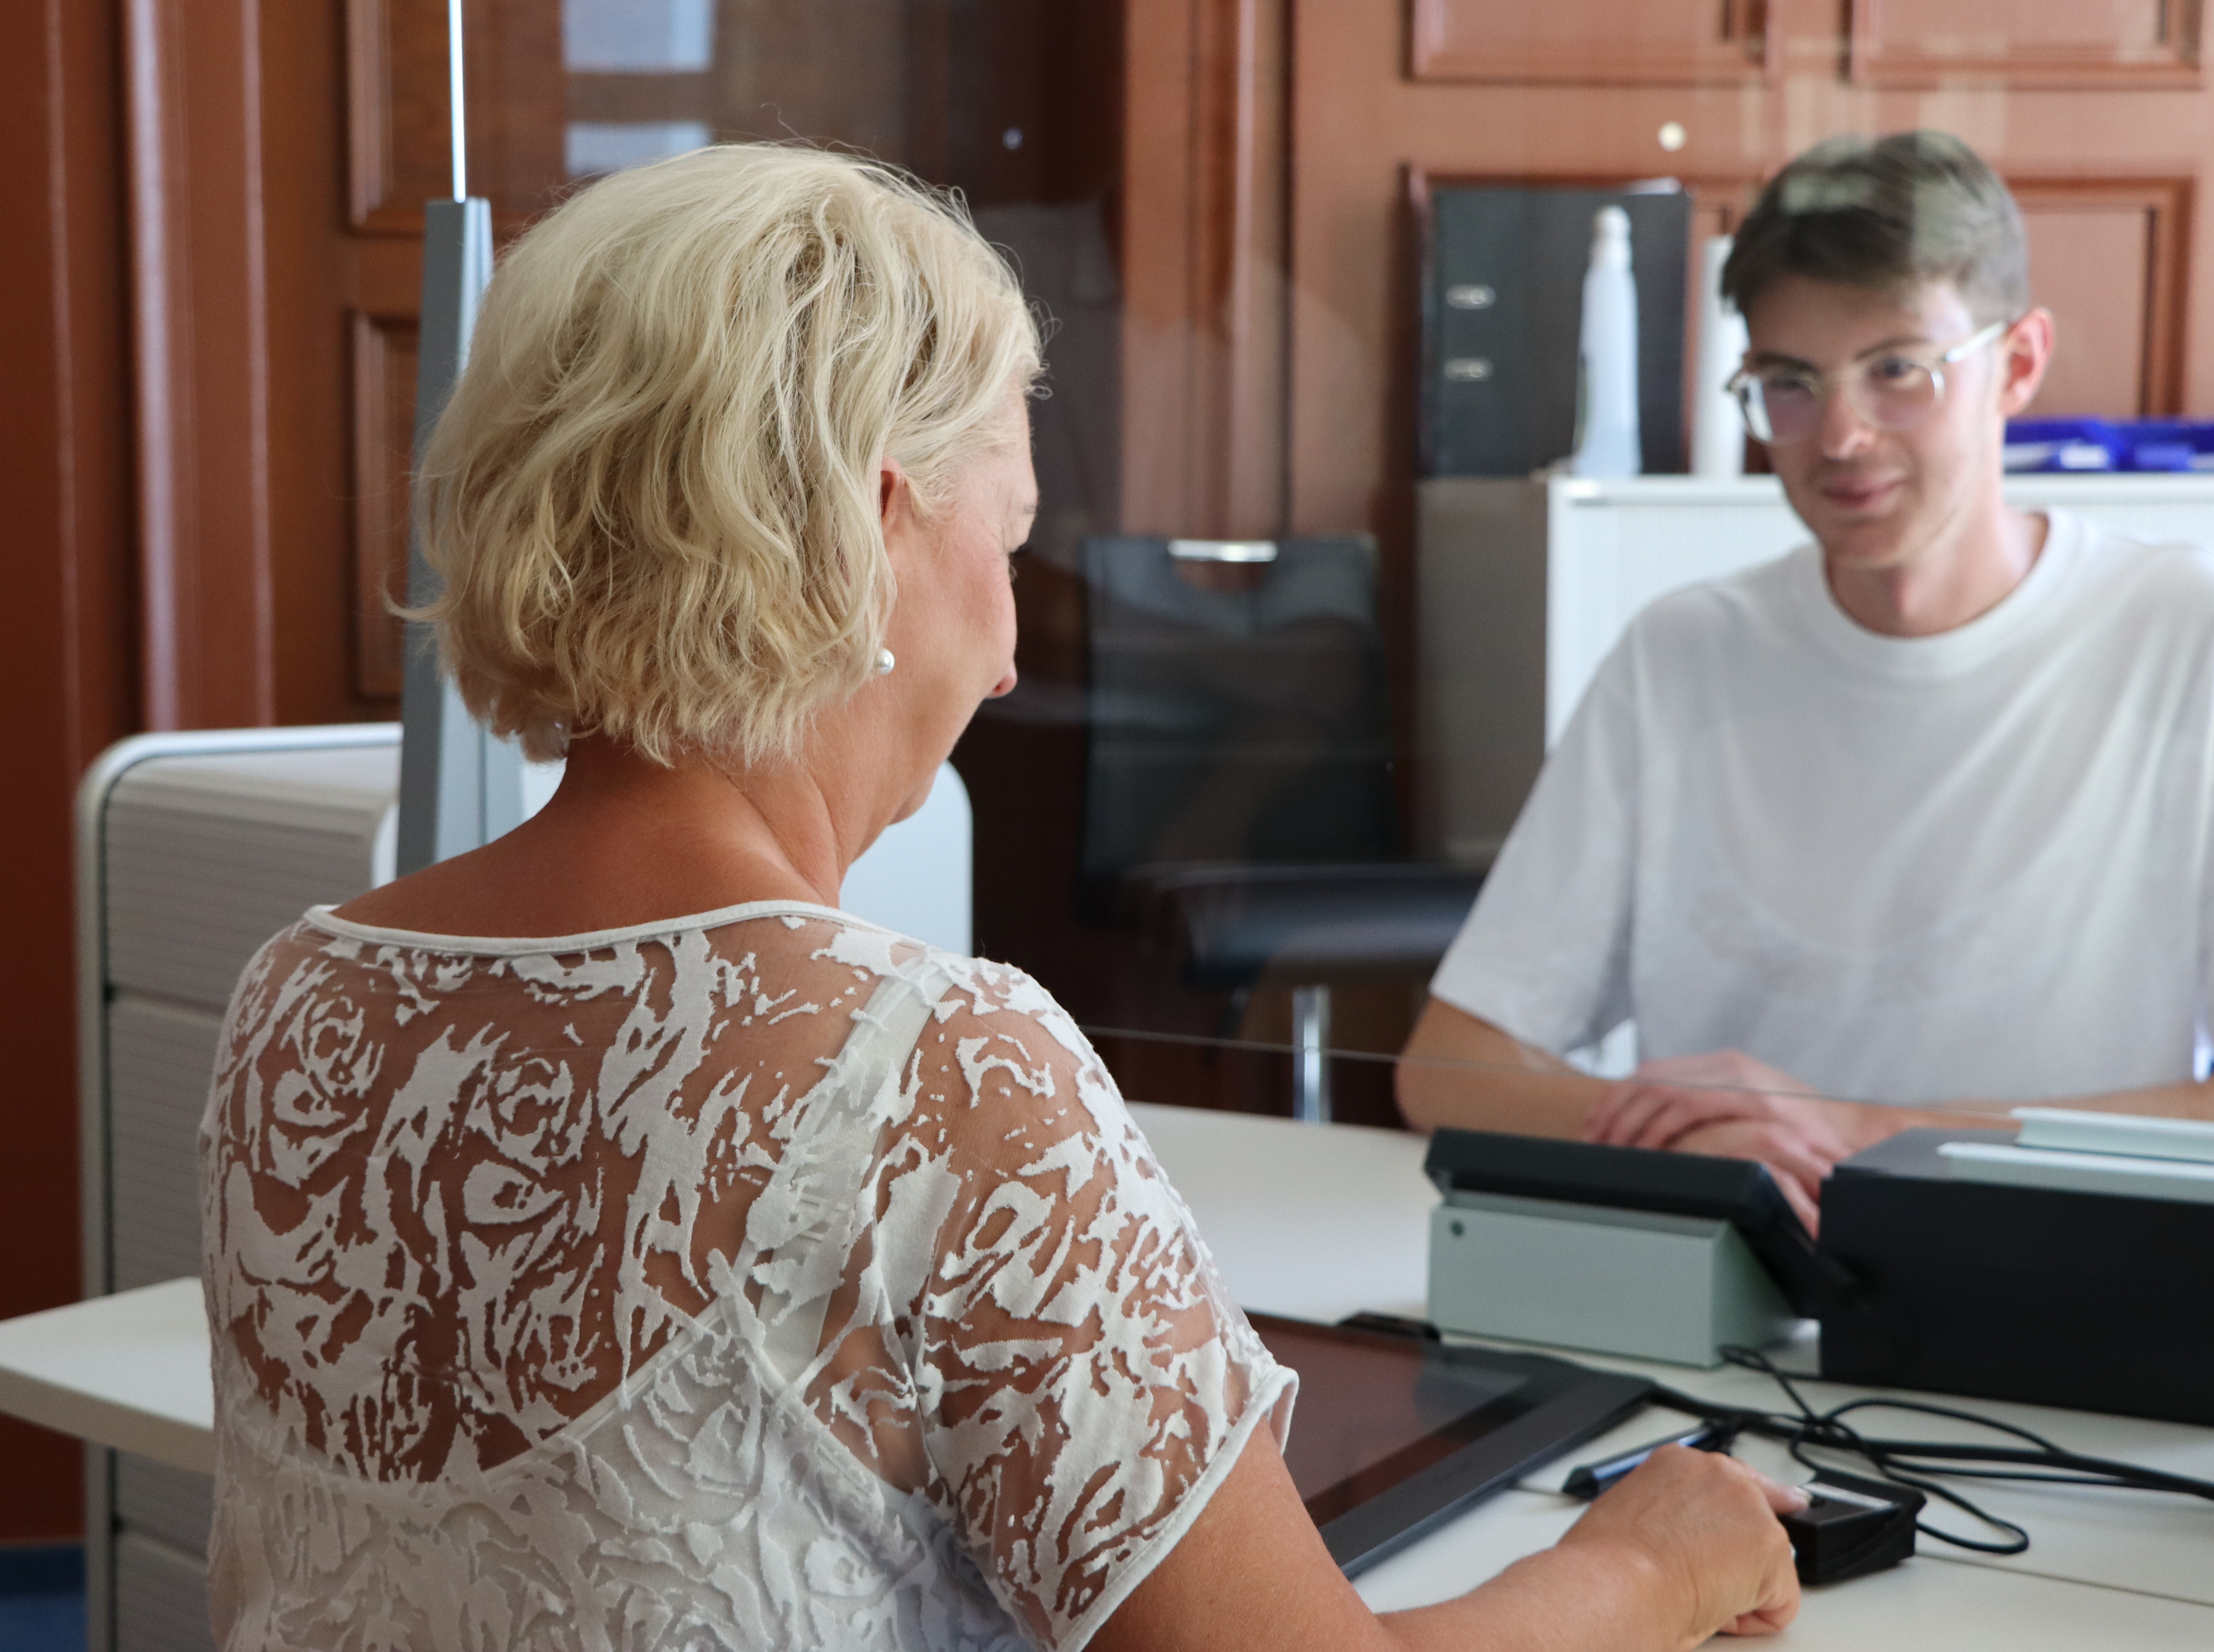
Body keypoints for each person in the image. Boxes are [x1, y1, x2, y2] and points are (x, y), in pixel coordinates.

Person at [198, 144, 1800, 1652]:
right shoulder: (934, 1074)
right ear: (872, 527)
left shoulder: (299, 997)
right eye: (1011, 548)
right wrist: (1642, 1560)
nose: (1014, 654)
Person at [1400, 132, 2214, 1227]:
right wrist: (1700, 1137)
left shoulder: (2180, 637)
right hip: (1724, 1285)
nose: (1840, 436)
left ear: (2017, 364)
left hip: (2058, 1276)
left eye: (1897, 371)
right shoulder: (1684, 654)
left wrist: (1868, 1134)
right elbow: (1446, 1066)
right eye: (1789, 382)